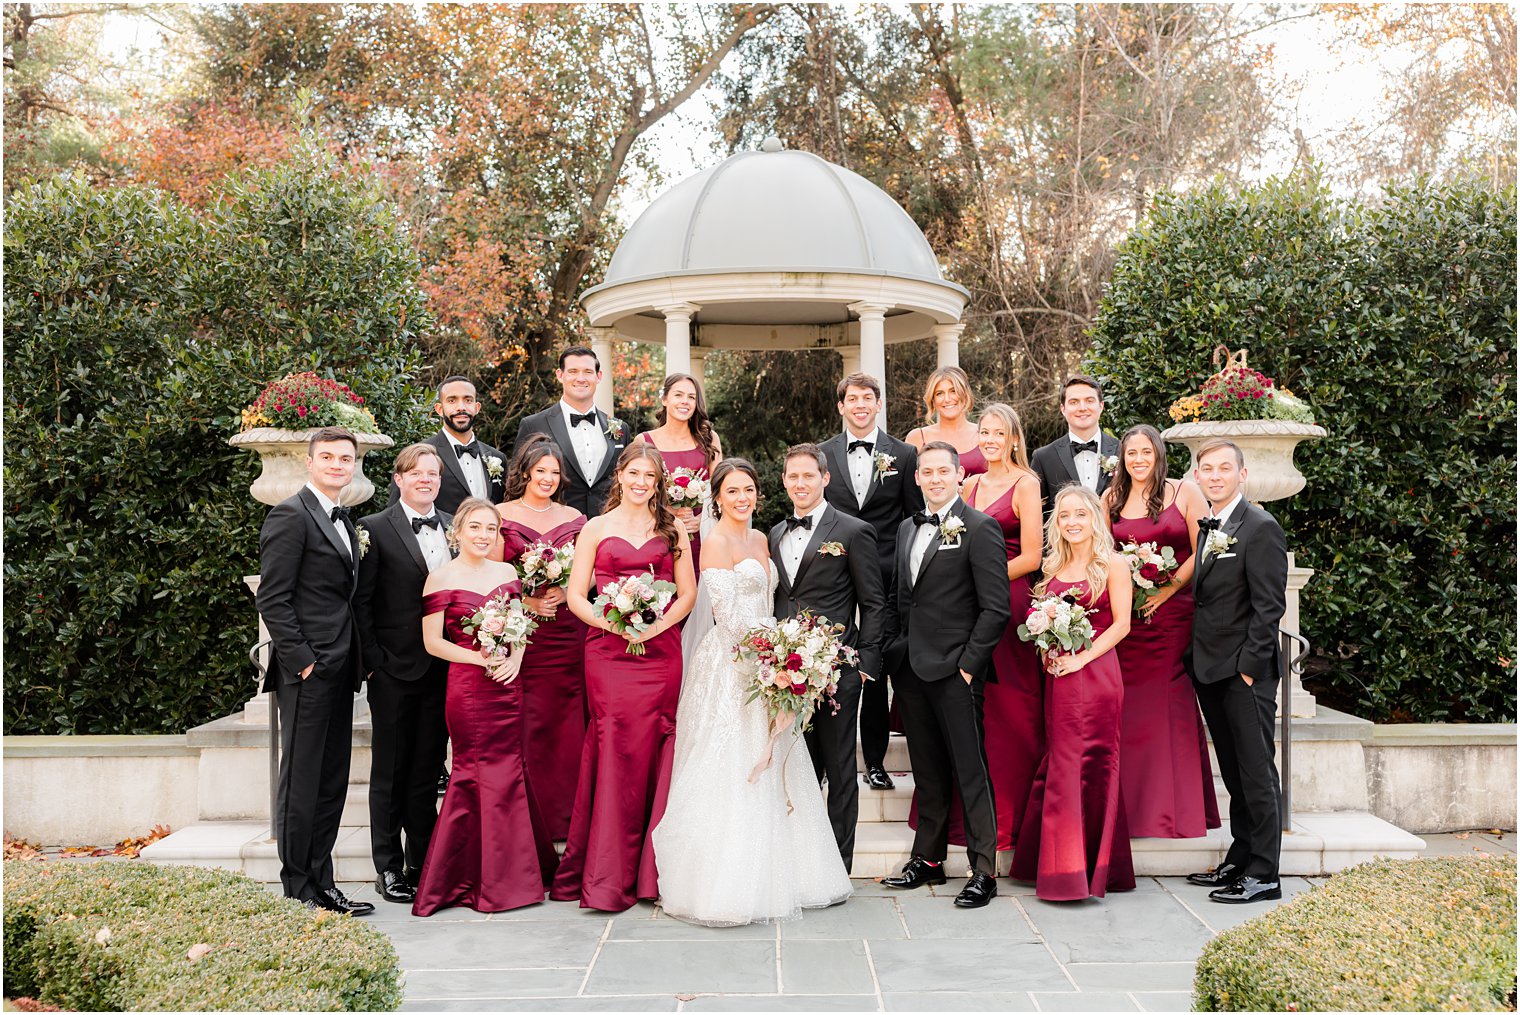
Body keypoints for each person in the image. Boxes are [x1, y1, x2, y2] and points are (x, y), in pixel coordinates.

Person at [653, 458, 853, 926]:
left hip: (768, 657)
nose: (743, 498)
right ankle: (725, 886)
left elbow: (768, 603)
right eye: (733, 491)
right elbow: (727, 616)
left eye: (749, 490)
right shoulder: (715, 542)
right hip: (732, 664)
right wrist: (772, 660)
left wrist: (784, 656)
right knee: (732, 763)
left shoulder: (763, 537)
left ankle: (793, 874)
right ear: (716, 498)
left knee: (778, 762)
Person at [551, 443, 696, 912]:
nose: (640, 482)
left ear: (658, 484)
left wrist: (656, 625)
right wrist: (610, 622)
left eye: (649, 477)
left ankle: (652, 875)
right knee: (612, 742)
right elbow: (575, 594)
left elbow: (688, 594)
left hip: (660, 653)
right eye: (633, 473)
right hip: (608, 651)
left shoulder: (672, 528)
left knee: (657, 743)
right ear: (621, 476)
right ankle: (607, 876)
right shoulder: (595, 527)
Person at [879, 442, 1010, 910]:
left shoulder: (981, 528)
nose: (934, 478)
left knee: (970, 771)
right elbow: (899, 598)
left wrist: (968, 667)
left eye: (943, 471)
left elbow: (996, 609)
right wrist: (895, 652)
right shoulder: (905, 529)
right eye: (927, 471)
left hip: (958, 673)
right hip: (911, 671)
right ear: (917, 478)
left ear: (960, 476)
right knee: (928, 772)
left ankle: (982, 871)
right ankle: (928, 859)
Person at [411, 498, 557, 915]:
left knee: (511, 768)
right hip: (469, 688)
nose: (482, 536)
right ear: (457, 531)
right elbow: (432, 642)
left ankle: (518, 874)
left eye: (490, 529)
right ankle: (467, 878)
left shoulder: (507, 573)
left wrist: (514, 660)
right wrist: (479, 658)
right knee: (472, 771)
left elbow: (519, 628)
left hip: (509, 686)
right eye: (475, 527)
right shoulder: (439, 578)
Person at [911, 403, 1043, 853]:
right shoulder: (965, 486)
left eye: (997, 432)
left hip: (1003, 603)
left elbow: (1031, 556)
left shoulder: (1026, 484)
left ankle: (1007, 825)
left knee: (1008, 718)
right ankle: (942, 836)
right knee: (964, 730)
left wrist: (981, 573)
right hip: (958, 617)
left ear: (1012, 438)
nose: (988, 439)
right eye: (983, 432)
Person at [255, 427, 373, 916]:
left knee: (331, 780)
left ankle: (323, 883)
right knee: (302, 782)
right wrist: (303, 661)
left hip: (340, 668)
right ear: (309, 463)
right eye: (327, 457)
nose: (337, 465)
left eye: (345, 458)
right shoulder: (289, 516)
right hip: (308, 671)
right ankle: (298, 888)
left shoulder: (344, 519)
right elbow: (273, 598)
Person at [1011, 485, 1136, 902]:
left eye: (1080, 514)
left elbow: (1122, 626)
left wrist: (1082, 660)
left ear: (1094, 519)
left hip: (1096, 676)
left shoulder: (1113, 564)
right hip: (1057, 678)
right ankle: (1059, 863)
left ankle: (1074, 873)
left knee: (1089, 764)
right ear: (1056, 523)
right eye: (1064, 516)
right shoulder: (1050, 566)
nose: (1072, 522)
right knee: (1061, 761)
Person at [767, 443, 887, 872]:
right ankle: (803, 858)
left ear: (825, 478)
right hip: (787, 673)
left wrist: (864, 664)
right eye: (792, 477)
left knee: (839, 768)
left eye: (808, 476)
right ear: (784, 480)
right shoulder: (776, 533)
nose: (800, 484)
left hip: (838, 671)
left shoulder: (854, 531)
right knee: (800, 764)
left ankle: (837, 865)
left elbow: (874, 603)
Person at [1184, 439, 1288, 904]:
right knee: (1234, 771)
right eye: (1207, 468)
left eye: (1225, 468)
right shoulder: (1211, 526)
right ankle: (1241, 856)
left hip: (1245, 673)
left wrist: (1247, 670)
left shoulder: (1260, 527)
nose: (1215, 475)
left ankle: (1265, 873)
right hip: (1211, 669)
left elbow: (1269, 609)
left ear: (1242, 475)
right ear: (1198, 476)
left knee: (1257, 772)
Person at [1104, 424, 1220, 840]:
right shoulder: (1111, 499)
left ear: (1157, 455)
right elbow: (1101, 555)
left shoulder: (1183, 492)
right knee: (1130, 711)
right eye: (1130, 453)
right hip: (1127, 621)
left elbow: (1203, 546)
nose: (1138, 460)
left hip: (1172, 617)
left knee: (1168, 708)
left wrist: (1166, 590)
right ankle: (1133, 812)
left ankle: (1176, 813)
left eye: (1145, 452)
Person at [354, 443, 454, 904]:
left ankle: (421, 862)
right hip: (394, 670)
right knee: (390, 772)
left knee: (427, 770)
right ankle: (388, 867)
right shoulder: (373, 529)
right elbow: (361, 603)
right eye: (416, 474)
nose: (426, 480)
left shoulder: (455, 527)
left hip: (445, 669)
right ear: (399, 479)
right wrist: (374, 665)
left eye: (432, 473)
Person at [819, 372, 922, 791]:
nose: (860, 405)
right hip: (835, 576)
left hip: (886, 575)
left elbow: (914, 518)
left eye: (868, 398)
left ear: (878, 404)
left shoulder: (905, 453)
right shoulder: (821, 453)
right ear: (841, 407)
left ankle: (876, 761)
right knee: (829, 661)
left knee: (873, 665)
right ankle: (824, 761)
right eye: (852, 399)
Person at [491, 435, 588, 841]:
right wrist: (526, 603)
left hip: (569, 633)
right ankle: (532, 822)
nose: (547, 478)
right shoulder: (500, 514)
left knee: (570, 725)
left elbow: (592, 570)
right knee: (530, 724)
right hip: (526, 638)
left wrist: (567, 591)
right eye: (540, 470)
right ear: (526, 471)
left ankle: (569, 819)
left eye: (554, 472)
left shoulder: (577, 518)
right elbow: (491, 575)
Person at [515, 346, 629, 516]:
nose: (581, 378)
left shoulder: (620, 428)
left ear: (598, 377)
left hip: (607, 526)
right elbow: (517, 481)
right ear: (560, 375)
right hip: (552, 526)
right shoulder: (533, 425)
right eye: (573, 371)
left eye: (588, 372)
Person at [636, 373, 722, 573]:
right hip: (659, 534)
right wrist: (669, 514)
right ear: (665, 399)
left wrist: (701, 521)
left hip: (701, 535)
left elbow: (721, 492)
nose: (685, 402)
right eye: (678, 395)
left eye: (691, 397)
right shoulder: (644, 441)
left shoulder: (709, 440)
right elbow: (633, 493)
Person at [390, 376, 507, 514]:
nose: (461, 407)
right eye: (452, 400)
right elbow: (396, 512)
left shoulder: (497, 458)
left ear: (477, 407)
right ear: (439, 409)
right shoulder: (417, 455)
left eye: (468, 400)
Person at [1029, 375, 1121, 520]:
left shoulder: (1123, 451)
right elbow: (1037, 516)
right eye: (1074, 402)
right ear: (1063, 409)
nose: (1082, 408)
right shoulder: (1043, 458)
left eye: (1089, 401)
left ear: (1101, 406)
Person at [905, 366, 987, 479]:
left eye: (953, 391)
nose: (947, 399)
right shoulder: (917, 438)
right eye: (939, 393)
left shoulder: (984, 434)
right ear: (932, 399)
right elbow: (908, 487)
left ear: (965, 394)